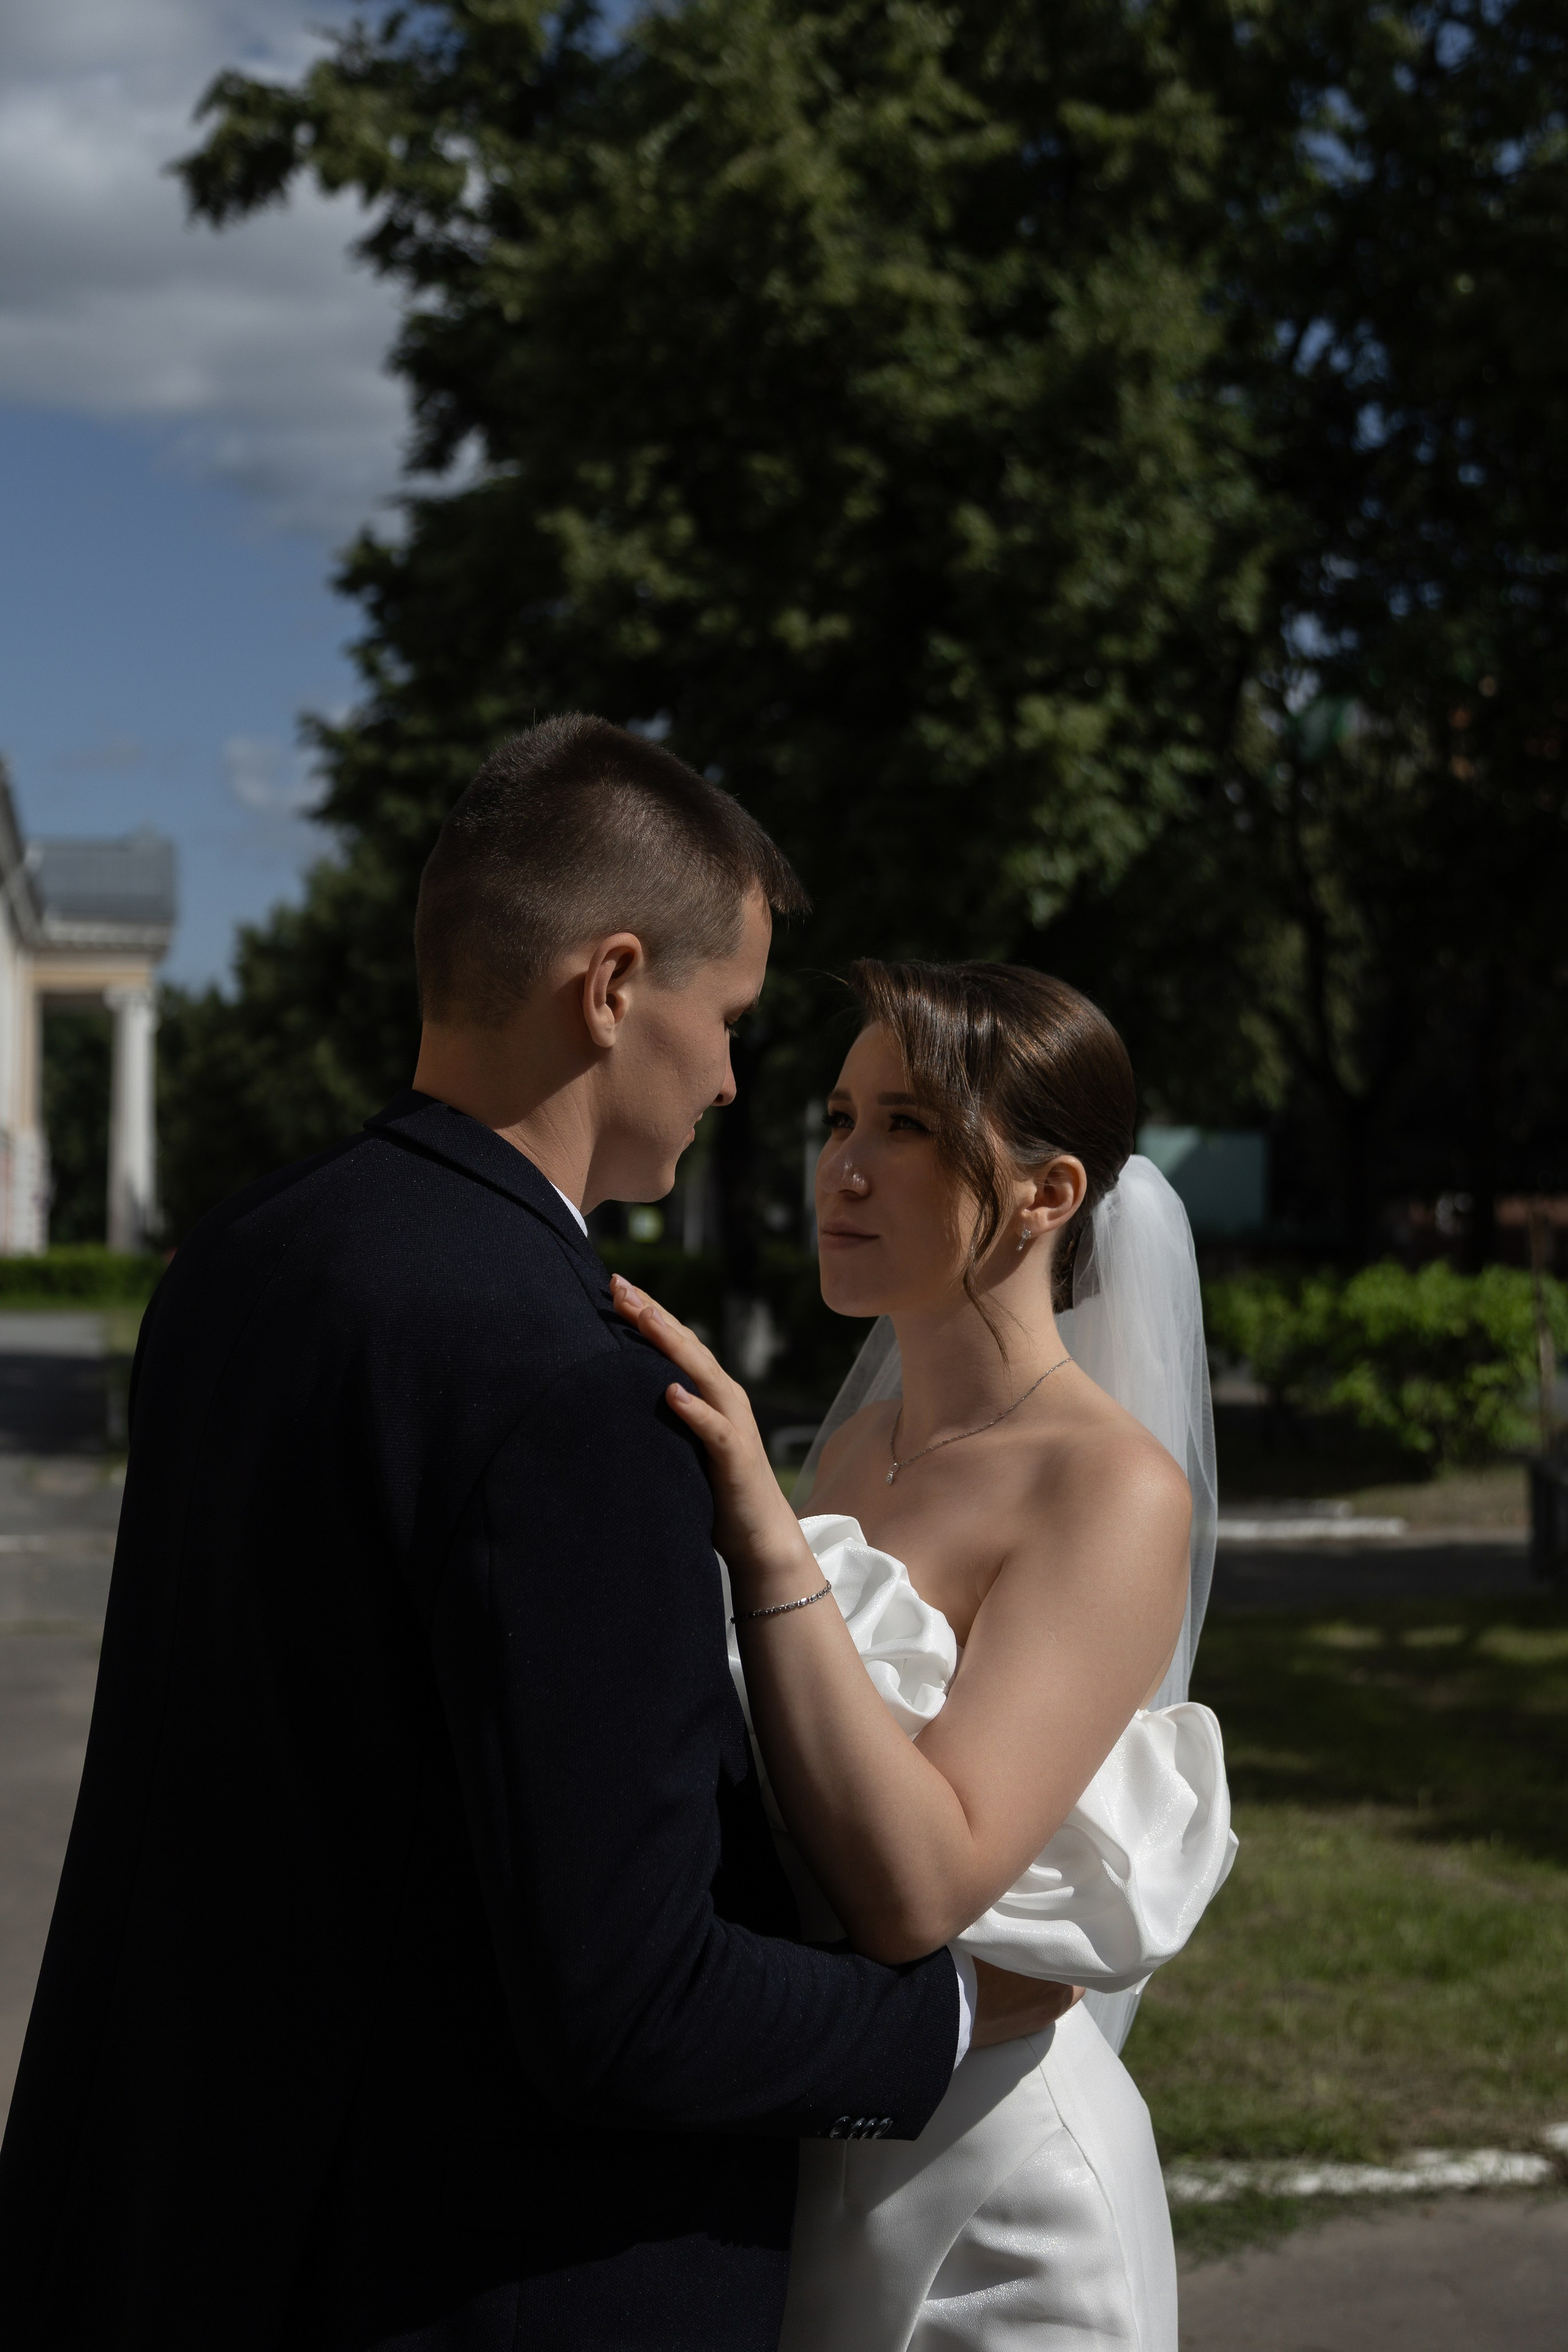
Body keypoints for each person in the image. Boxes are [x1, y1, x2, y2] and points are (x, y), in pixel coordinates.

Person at [0, 721, 1069, 2352]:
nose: (728, 1083)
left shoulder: (239, 1265)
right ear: (613, 983)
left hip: (187, 2228)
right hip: (470, 2275)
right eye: (726, 1023)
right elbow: (627, 2003)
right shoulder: (574, 1377)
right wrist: (935, 2024)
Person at [614, 959, 1236, 2350]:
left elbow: (918, 1890)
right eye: (839, 1118)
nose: (843, 1168)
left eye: (908, 1128)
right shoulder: (850, 1448)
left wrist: (767, 1541)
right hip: (822, 2137)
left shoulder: (1107, 1490)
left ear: (1045, 1192)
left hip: (1001, 2205)